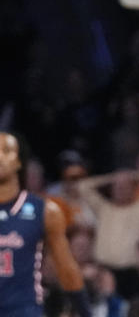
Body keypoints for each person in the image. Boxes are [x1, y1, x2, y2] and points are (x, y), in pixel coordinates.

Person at [0, 132, 92, 317]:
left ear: (18, 161)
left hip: (23, 309)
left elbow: (66, 268)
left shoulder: (44, 210)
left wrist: (85, 312)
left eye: (6, 150)